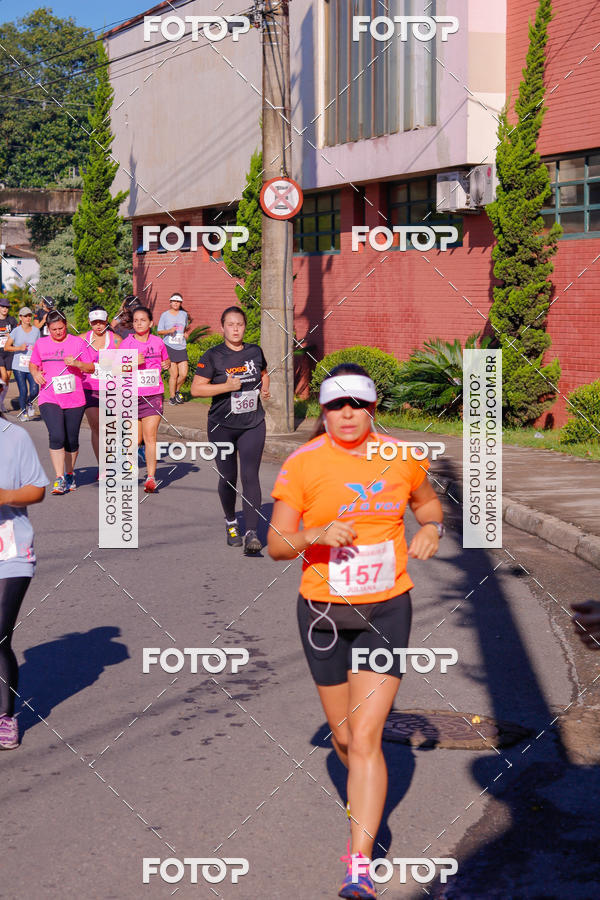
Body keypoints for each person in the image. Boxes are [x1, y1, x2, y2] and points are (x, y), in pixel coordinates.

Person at [267, 364, 445, 899]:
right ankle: (362, 801)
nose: (348, 415)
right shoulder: (303, 464)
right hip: (322, 614)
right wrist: (316, 532)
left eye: (358, 405)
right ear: (322, 411)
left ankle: (359, 863)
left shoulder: (402, 457)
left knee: (366, 736)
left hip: (386, 608)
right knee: (344, 737)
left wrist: (432, 528)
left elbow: (428, 503)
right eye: (337, 405)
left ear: (373, 409)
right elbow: (277, 543)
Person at [191, 306, 270, 555]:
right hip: (221, 426)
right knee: (228, 478)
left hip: (252, 423)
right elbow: (196, 389)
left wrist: (264, 389)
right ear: (223, 327)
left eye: (240, 324)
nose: (236, 328)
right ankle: (231, 521)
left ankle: (252, 532)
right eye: (231, 324)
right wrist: (225, 387)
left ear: (244, 327)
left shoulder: (254, 351)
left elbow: (264, 373)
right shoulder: (213, 356)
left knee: (250, 475)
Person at [0, 414, 48, 750]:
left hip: (11, 553)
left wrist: (3, 496)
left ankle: (4, 717)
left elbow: (36, 489)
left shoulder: (14, 437)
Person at [29, 310, 94, 495]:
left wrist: (78, 364)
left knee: (71, 440)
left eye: (61, 328)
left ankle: (70, 473)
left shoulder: (77, 342)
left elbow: (91, 367)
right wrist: (35, 373)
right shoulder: (41, 344)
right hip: (49, 396)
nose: (58, 332)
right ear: (48, 328)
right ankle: (59, 478)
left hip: (75, 398)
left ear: (66, 325)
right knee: (57, 436)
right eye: (54, 329)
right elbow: (33, 364)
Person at [119, 306, 170, 493]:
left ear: (151, 323)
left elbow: (166, 361)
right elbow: (114, 368)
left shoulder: (158, 342)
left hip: (154, 395)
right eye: (136, 320)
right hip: (131, 396)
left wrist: (167, 363)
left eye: (143, 320)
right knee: (134, 439)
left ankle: (150, 478)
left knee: (150, 437)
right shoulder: (126, 344)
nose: (139, 323)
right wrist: (131, 363)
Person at [81, 308, 121, 467]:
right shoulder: (82, 339)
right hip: (89, 387)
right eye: (94, 323)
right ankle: (102, 466)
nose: (98, 326)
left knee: (113, 427)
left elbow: (125, 364)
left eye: (101, 322)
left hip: (111, 388)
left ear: (107, 321)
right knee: (97, 426)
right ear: (90, 322)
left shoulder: (116, 340)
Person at [3, 307, 40, 421]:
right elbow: (6, 347)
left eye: (29, 315)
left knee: (35, 389)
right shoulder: (16, 331)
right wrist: (19, 348)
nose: (27, 318)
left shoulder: (36, 331)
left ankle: (29, 403)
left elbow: (39, 347)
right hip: (18, 366)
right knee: (23, 390)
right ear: (20, 317)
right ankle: (23, 412)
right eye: (25, 316)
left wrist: (36, 350)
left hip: (32, 365)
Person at [156, 293, 193, 405]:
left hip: (181, 347)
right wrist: (169, 331)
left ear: (180, 303)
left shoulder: (184, 314)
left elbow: (184, 327)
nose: (176, 303)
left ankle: (176, 391)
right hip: (169, 347)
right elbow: (159, 331)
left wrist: (185, 333)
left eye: (178, 301)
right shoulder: (165, 315)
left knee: (184, 374)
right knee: (174, 374)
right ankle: (172, 397)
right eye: (174, 301)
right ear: (170, 302)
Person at [0, 298, 18, 413]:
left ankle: (1, 402)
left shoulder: (12, 320)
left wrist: (10, 335)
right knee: (4, 376)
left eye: (7, 307)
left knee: (7, 379)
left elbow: (17, 335)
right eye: (3, 307)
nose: (5, 309)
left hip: (9, 351)